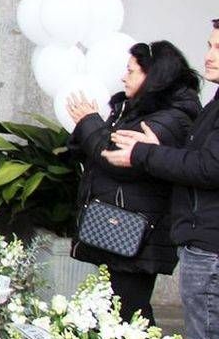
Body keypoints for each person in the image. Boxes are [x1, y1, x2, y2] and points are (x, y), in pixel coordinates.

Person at [105, 19, 219, 339]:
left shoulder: (180, 111)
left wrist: (145, 153)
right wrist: (156, 150)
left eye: (218, 49)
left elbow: (210, 167)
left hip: (209, 244)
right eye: (210, 46)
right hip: (201, 239)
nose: (209, 56)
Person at [65, 41, 200, 324]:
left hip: (140, 231)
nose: (123, 77)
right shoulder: (136, 109)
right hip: (123, 226)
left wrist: (88, 122)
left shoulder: (170, 118)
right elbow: (100, 148)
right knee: (118, 312)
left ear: (153, 76)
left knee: (130, 315)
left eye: (131, 71)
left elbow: (118, 158)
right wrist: (88, 131)